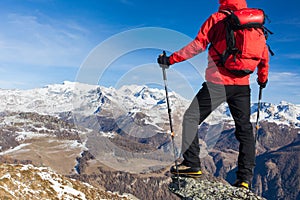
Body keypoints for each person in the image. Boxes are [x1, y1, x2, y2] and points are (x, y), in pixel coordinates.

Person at [157, 0, 269, 189]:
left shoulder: (217, 19)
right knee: (245, 131)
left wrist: (170, 60)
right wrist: (262, 78)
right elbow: (263, 55)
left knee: (191, 118)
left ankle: (192, 164)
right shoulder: (254, 25)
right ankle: (244, 179)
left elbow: (198, 45)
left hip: (217, 84)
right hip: (243, 87)